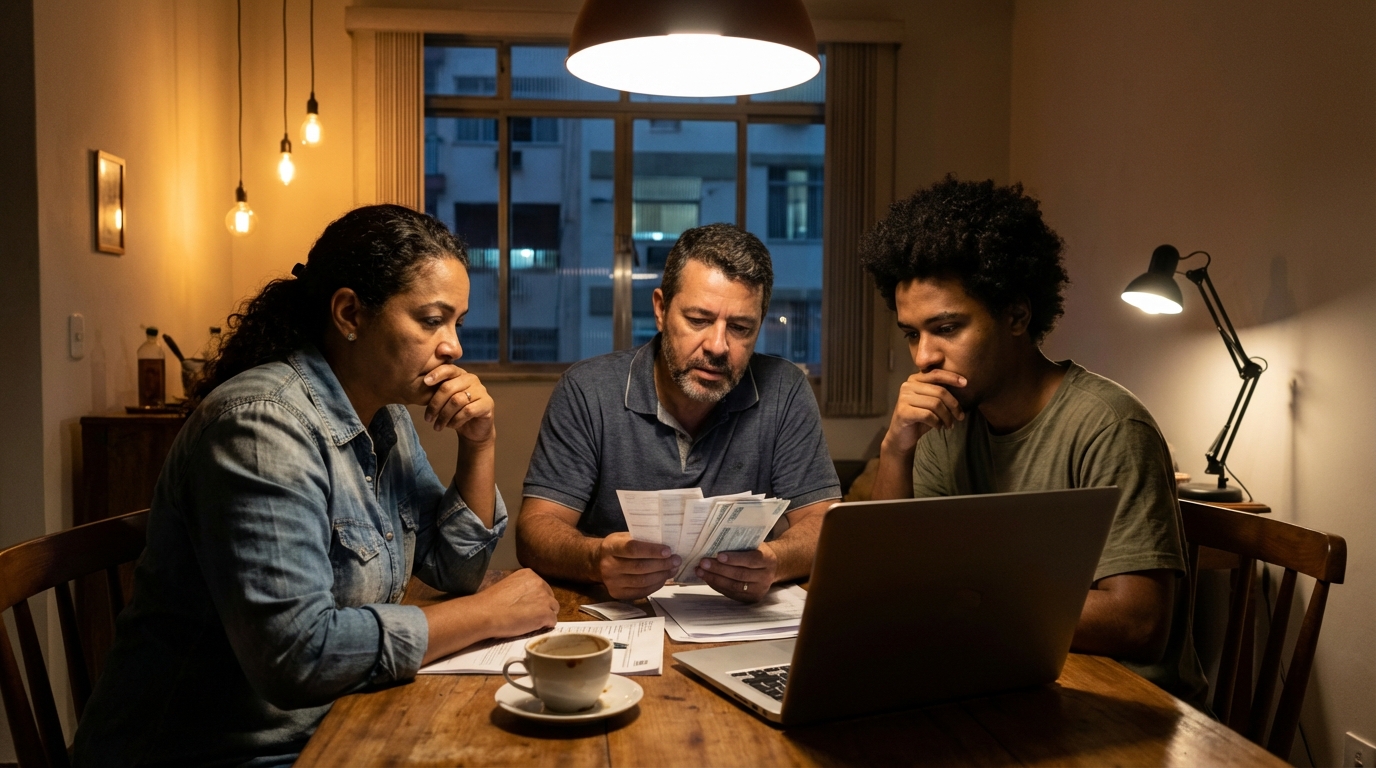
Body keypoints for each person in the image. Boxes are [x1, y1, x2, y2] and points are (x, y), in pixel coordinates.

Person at [73, 205, 559, 766]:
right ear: (350, 313)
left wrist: (479, 441)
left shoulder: (384, 415)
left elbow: (455, 569)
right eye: (431, 320)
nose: (453, 346)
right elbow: (299, 656)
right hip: (211, 752)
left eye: (458, 323)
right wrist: (490, 615)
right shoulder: (259, 426)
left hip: (333, 724)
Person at [859, 176, 1208, 707]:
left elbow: (1139, 623)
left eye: (946, 328)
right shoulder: (947, 422)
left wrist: (961, 598)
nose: (923, 357)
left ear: (1017, 315)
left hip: (1128, 710)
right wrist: (896, 448)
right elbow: (890, 579)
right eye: (912, 333)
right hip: (1008, 684)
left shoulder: (1110, 426)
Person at [516, 224, 841, 603]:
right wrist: (595, 559)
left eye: (739, 328)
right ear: (660, 309)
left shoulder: (784, 389)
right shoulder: (588, 390)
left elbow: (826, 526)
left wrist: (776, 561)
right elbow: (535, 530)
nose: (718, 346)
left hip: (738, 619)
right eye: (699, 320)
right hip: (618, 620)